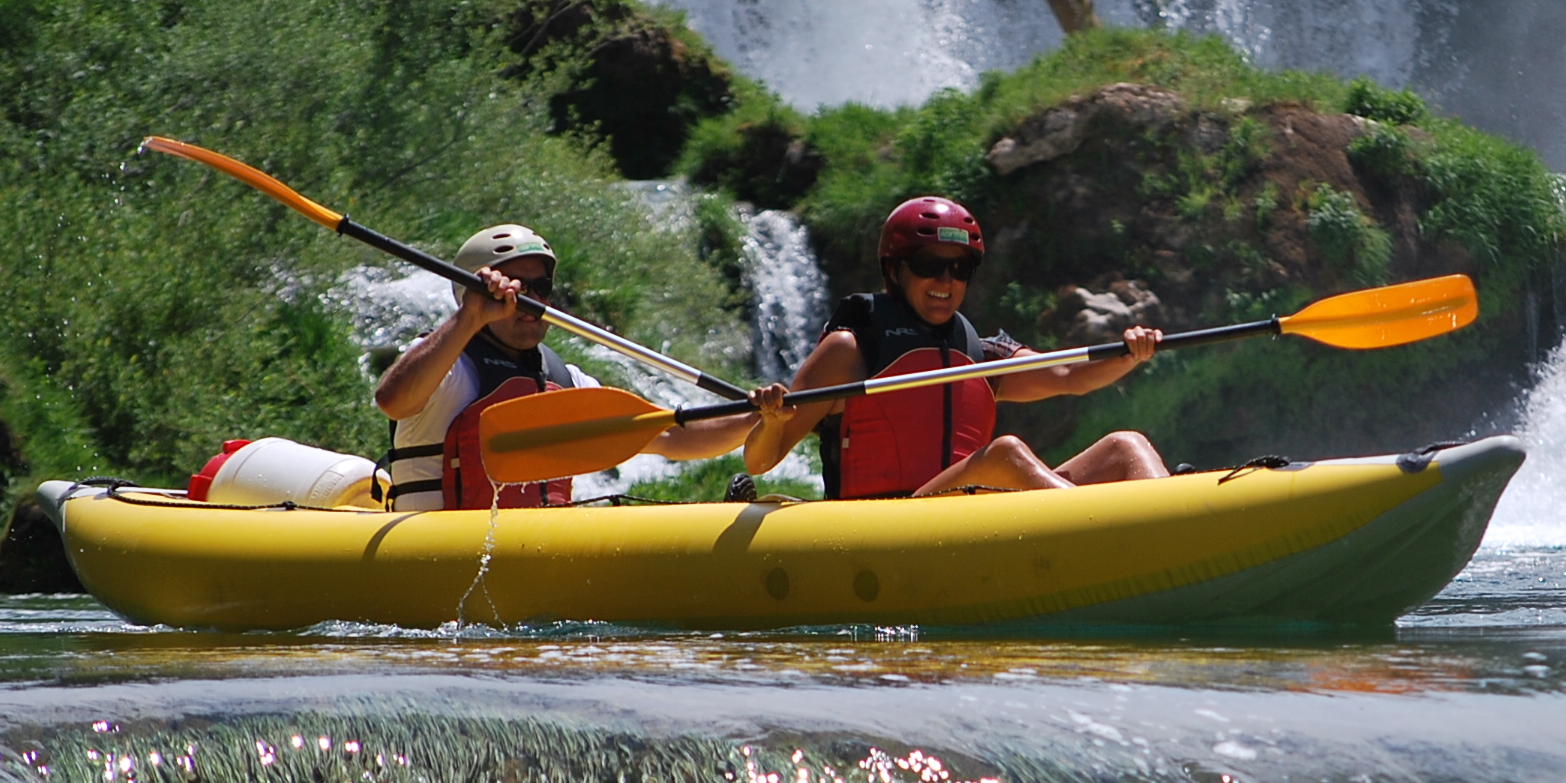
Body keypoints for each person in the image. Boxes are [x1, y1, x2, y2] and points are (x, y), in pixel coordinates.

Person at [741, 196, 1166, 497]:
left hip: (972, 513)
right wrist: (773, 422)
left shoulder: (982, 354)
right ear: (895, 270)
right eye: (930, 266)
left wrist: (1131, 352)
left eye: (959, 268)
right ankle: (1103, 530)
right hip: (893, 527)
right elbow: (761, 461)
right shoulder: (850, 350)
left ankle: (1174, 520)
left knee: (1125, 446)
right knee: (1005, 454)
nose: (946, 282)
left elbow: (1069, 375)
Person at [374, 223, 747, 508]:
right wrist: (470, 317)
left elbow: (671, 435)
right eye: (518, 287)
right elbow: (393, 401)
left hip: (535, 549)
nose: (533, 299)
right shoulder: (446, 363)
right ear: (472, 293)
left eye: (542, 287)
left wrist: (759, 415)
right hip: (438, 548)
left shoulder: (564, 380)